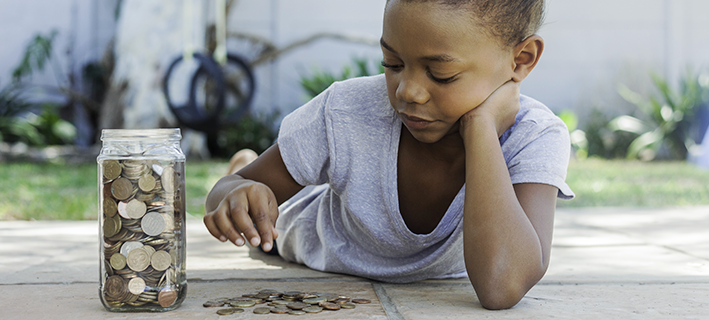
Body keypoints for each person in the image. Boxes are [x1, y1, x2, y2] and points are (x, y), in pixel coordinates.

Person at [203, 0, 574, 310]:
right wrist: (237, 192)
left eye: (441, 74)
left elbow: (501, 287)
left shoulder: (535, 136)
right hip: (306, 227)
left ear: (522, 59)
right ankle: (243, 158)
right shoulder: (345, 112)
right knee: (264, 200)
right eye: (392, 64)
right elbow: (224, 193)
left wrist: (480, 128)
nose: (408, 91)